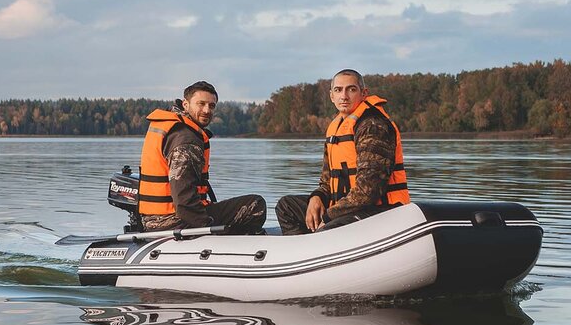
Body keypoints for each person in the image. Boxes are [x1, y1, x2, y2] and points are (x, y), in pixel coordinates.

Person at [275, 70, 409, 236]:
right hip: (346, 207)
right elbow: (326, 181)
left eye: (351, 89)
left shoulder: (372, 126)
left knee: (328, 227)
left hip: (380, 210)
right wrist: (317, 197)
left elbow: (368, 191)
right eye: (338, 90)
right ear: (331, 96)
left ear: (364, 93)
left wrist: (328, 215)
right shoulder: (336, 127)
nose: (344, 96)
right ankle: (302, 253)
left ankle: (319, 247)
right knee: (286, 206)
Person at [137, 80, 266, 235]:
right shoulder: (186, 139)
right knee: (256, 204)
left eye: (211, 106)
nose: (207, 110)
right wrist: (209, 228)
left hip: (153, 220)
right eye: (201, 104)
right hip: (174, 221)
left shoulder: (173, 127)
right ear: (185, 105)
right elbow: (184, 203)